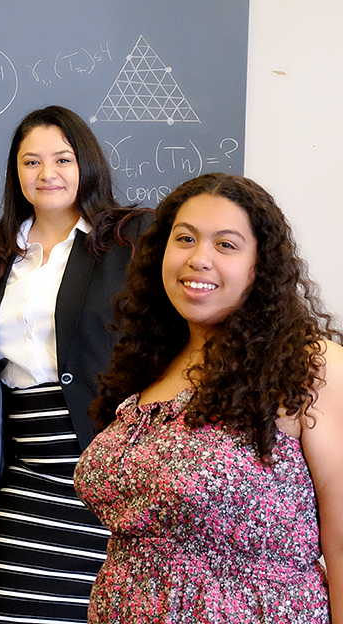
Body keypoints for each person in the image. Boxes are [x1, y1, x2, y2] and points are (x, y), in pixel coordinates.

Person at [74, 173, 343, 622]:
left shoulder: (309, 366)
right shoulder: (150, 361)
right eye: (185, 238)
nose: (198, 259)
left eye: (226, 245)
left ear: (261, 265)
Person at [0, 105, 152, 622]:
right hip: (26, 472)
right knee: (15, 613)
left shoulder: (131, 237)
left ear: (87, 164)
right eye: (31, 162)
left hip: (105, 465)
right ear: (16, 173)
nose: (46, 174)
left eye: (62, 159)